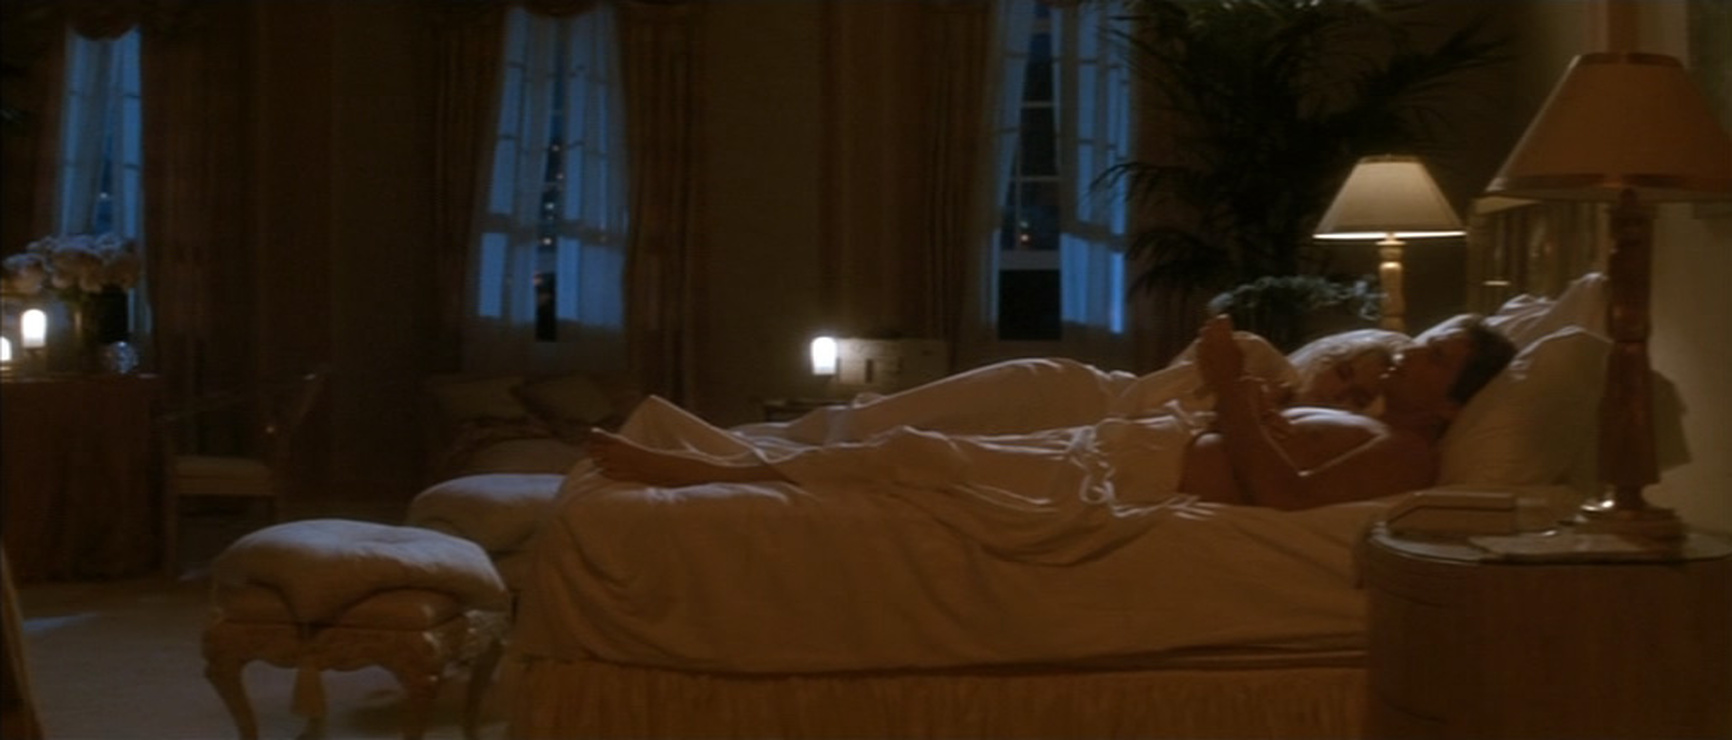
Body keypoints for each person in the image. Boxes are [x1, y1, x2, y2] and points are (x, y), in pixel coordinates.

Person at [589, 314, 1515, 511]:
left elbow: (1286, 493)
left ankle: (709, 470)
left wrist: (1235, 394)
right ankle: (723, 460)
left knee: (916, 454)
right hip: (1129, 436)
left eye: (1434, 356)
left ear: (1451, 404)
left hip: (1139, 466)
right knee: (908, 441)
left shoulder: (1409, 457)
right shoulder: (1368, 420)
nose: (1409, 354)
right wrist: (1245, 399)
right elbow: (1272, 459)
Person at [735, 327, 1406, 446]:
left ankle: (756, 452)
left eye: (1357, 396)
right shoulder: (1256, 359)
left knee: (899, 448)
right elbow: (1150, 395)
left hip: (1077, 446)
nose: (1337, 388)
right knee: (877, 423)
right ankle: (749, 445)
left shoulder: (1304, 439)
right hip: (1072, 397)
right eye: (1343, 370)